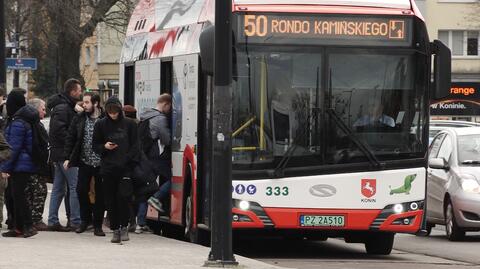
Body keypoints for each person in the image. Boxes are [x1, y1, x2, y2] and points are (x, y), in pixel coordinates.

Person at [93, 96, 139, 243]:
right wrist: (104, 147)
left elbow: (136, 146)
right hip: (108, 167)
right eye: (110, 112)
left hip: (125, 167)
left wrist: (127, 159)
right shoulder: (100, 124)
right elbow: (95, 146)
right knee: (110, 200)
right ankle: (115, 229)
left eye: (115, 111)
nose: (113, 114)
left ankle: (124, 226)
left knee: (123, 198)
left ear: (120, 110)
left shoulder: (130, 124)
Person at [64, 92, 105, 236]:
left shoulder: (104, 119)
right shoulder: (80, 118)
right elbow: (71, 138)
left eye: (87, 102)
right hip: (84, 161)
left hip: (101, 163)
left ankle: (98, 225)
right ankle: (84, 220)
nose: (84, 105)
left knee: (100, 194)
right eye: (84, 102)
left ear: (96, 103)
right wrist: (68, 158)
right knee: (81, 190)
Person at [0, 89, 38, 237]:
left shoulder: (18, 122)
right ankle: (18, 227)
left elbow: (13, 149)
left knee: (18, 195)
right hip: (21, 163)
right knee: (14, 195)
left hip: (21, 164)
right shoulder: (20, 119)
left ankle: (28, 225)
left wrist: (5, 167)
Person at [47, 78, 83, 231]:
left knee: (59, 188)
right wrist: (74, 141)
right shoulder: (63, 108)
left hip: (59, 154)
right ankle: (75, 220)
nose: (81, 93)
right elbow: (59, 131)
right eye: (79, 91)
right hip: (66, 155)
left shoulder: (64, 106)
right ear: (72, 91)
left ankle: (53, 220)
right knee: (74, 187)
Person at [143, 94, 172, 214]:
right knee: (175, 180)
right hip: (155, 156)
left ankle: (140, 222)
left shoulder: (145, 115)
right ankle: (156, 197)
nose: (169, 111)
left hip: (145, 155)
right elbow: (166, 139)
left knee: (144, 188)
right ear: (166, 104)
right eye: (169, 107)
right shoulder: (160, 119)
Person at [24, 98, 49, 231]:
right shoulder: (32, 125)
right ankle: (34, 219)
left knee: (34, 192)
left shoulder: (37, 124)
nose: (45, 112)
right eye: (43, 109)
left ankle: (31, 219)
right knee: (39, 191)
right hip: (34, 165)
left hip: (36, 164)